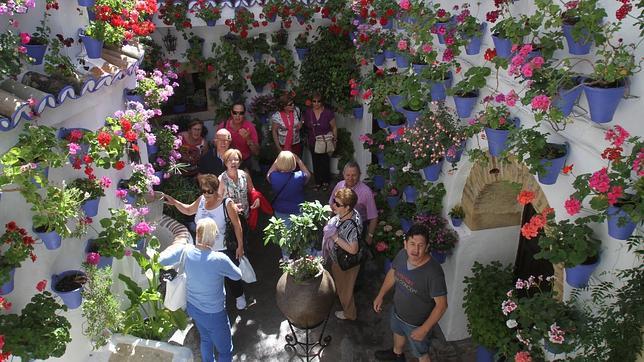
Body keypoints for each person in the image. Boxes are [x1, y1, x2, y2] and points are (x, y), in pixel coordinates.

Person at [159, 218, 241, 362]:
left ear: (197, 233)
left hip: (193, 308)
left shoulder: (186, 250)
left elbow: (161, 260)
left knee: (206, 339)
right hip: (214, 313)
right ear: (215, 236)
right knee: (225, 351)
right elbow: (237, 275)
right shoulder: (219, 259)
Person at [163, 174, 249, 310]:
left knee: (231, 276)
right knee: (210, 278)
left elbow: (237, 225)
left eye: (210, 191)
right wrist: (174, 202)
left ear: (216, 189)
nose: (206, 194)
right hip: (203, 249)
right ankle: (219, 301)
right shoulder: (201, 200)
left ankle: (239, 295)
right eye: (204, 190)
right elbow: (188, 210)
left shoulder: (226, 204)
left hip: (223, 247)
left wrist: (240, 246)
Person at [373, 224, 448, 362]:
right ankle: (397, 355)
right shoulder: (402, 255)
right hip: (398, 313)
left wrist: (424, 329)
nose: (416, 249)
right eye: (412, 244)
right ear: (405, 243)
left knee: (422, 355)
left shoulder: (434, 273)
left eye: (420, 245)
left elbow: (441, 306)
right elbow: (393, 272)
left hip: (417, 324)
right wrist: (380, 295)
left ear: (427, 247)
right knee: (397, 333)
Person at [266, 151, 311, 258]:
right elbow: (308, 175)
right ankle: (306, 256)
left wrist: (277, 161)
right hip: (298, 210)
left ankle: (286, 257)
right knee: (301, 234)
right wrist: (299, 160)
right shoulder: (299, 176)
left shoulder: (274, 177)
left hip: (280, 211)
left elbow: (268, 173)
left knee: (285, 234)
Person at [327, 187, 362, 321]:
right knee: (343, 286)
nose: (333, 205)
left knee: (345, 290)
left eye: (337, 204)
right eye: (334, 201)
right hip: (339, 260)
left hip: (346, 263)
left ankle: (349, 314)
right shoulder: (353, 213)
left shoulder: (350, 226)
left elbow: (353, 249)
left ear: (347, 207)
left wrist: (335, 237)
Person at [329, 161, 378, 245]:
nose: (350, 178)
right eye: (348, 175)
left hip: (357, 230)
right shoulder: (339, 186)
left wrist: (370, 236)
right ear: (343, 174)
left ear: (360, 174)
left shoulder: (366, 192)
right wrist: (329, 224)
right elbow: (331, 206)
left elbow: (373, 217)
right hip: (338, 227)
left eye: (354, 175)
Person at [303, 93, 337, 191]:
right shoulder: (308, 113)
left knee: (325, 162)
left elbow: (334, 127)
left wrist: (335, 140)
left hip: (325, 141)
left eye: (319, 101)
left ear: (322, 102)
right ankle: (318, 182)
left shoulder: (328, 113)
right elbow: (304, 124)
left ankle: (326, 182)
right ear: (312, 102)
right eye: (314, 101)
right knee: (316, 162)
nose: (316, 103)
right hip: (313, 141)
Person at [217, 102, 259, 171]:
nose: (237, 115)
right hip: (226, 162)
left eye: (241, 113)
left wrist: (248, 139)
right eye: (235, 112)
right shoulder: (223, 126)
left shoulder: (249, 127)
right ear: (231, 113)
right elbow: (216, 145)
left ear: (244, 114)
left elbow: (256, 152)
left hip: (244, 162)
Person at [218, 149, 260, 218]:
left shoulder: (244, 175)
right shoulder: (221, 179)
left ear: (240, 162)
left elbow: (252, 189)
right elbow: (218, 200)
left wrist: (256, 198)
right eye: (230, 160)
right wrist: (231, 206)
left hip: (245, 216)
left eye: (236, 159)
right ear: (225, 163)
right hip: (229, 218)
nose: (233, 162)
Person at [271, 93, 303, 157]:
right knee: (286, 165)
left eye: (293, 103)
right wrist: (278, 147)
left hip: (296, 144)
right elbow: (274, 131)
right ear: (284, 106)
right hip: (283, 145)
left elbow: (301, 120)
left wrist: (301, 124)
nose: (293, 105)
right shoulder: (277, 116)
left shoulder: (296, 110)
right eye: (290, 105)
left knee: (297, 164)